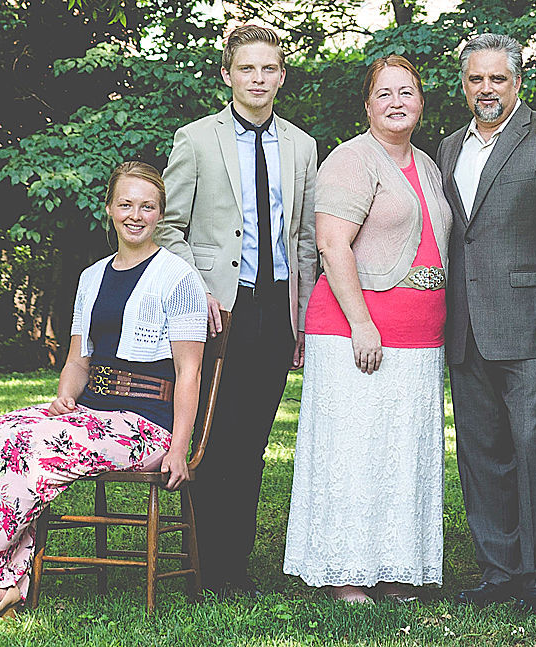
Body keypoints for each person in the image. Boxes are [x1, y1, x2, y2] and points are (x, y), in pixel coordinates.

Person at [0, 162, 207, 625]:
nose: (135, 215)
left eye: (147, 206)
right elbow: (79, 361)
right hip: (93, 414)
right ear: (109, 209)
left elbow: (189, 371)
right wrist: (64, 395)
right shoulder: (92, 277)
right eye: (126, 204)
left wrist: (180, 447)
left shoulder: (178, 278)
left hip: (146, 427)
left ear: (161, 214)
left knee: (30, 447)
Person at [435, 33, 536, 612]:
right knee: (480, 453)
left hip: (533, 324)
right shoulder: (449, 148)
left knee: (532, 446)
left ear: (518, 81)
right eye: (476, 79)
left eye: (497, 79)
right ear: (463, 85)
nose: (486, 90)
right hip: (465, 325)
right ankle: (498, 569)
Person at [156, 25, 318, 596]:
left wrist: (300, 319)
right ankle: (205, 564)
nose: (258, 79)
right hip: (218, 308)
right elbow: (169, 229)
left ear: (281, 74)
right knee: (213, 436)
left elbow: (302, 240)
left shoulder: (301, 145)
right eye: (246, 69)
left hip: (275, 307)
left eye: (268, 68)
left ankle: (236, 563)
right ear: (227, 74)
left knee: (251, 441)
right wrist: (197, 289)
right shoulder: (196, 139)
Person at [282, 55, 451, 604]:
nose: (397, 102)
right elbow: (332, 245)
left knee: (403, 454)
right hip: (357, 330)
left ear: (422, 103)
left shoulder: (427, 165)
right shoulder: (350, 160)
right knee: (353, 452)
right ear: (368, 105)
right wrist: (362, 323)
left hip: (421, 335)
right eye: (384, 93)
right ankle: (347, 574)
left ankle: (397, 568)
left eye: (407, 91)